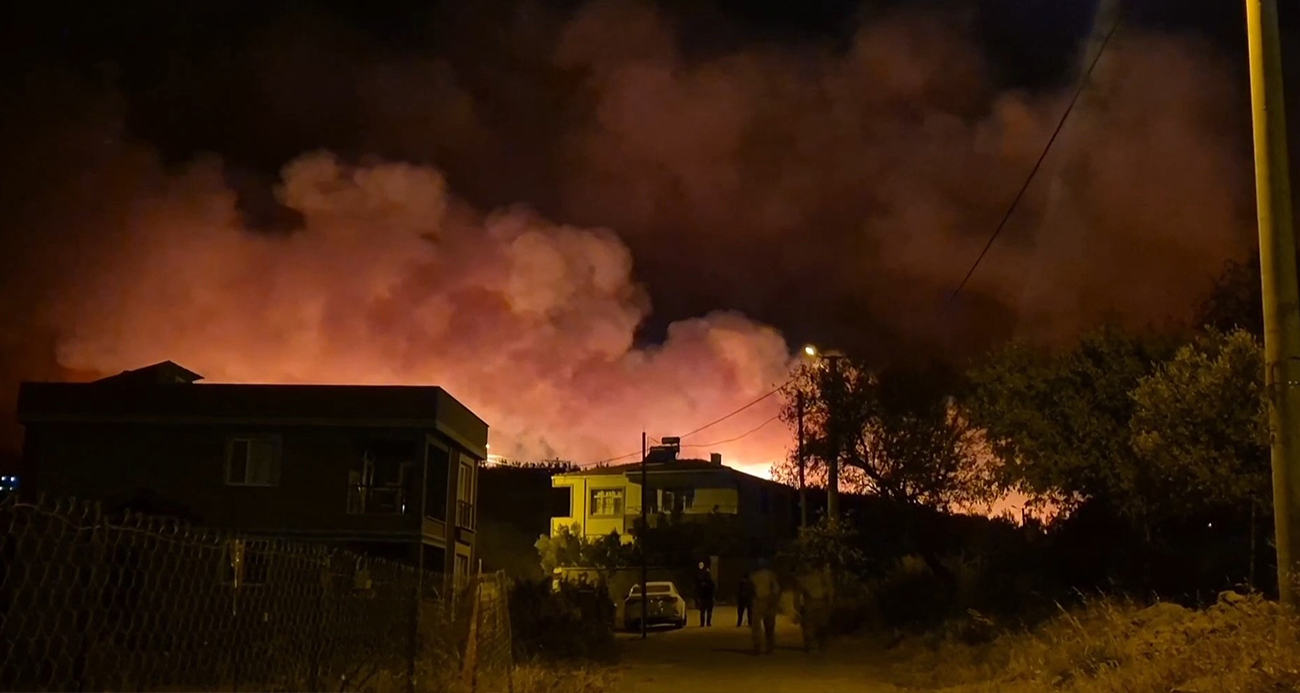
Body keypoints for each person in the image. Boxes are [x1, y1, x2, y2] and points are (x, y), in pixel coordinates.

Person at [795, 563, 832, 653]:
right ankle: (820, 645)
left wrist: (798, 607)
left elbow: (798, 595)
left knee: (809, 625)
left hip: (811, 603)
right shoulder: (823, 577)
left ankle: (811, 645)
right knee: (821, 624)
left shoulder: (804, 579)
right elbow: (829, 591)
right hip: (820, 603)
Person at [749, 558, 781, 654]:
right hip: (768, 600)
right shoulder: (770, 575)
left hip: (760, 600)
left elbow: (751, 589)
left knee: (757, 625)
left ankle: (757, 646)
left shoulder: (753, 576)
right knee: (769, 625)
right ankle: (769, 646)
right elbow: (776, 589)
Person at [694, 560, 715, 627]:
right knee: (709, 611)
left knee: (702, 611)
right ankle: (708, 623)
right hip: (709, 598)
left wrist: (698, 598)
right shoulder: (710, 583)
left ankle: (702, 623)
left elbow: (698, 590)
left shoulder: (701, 583)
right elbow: (713, 589)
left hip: (703, 598)